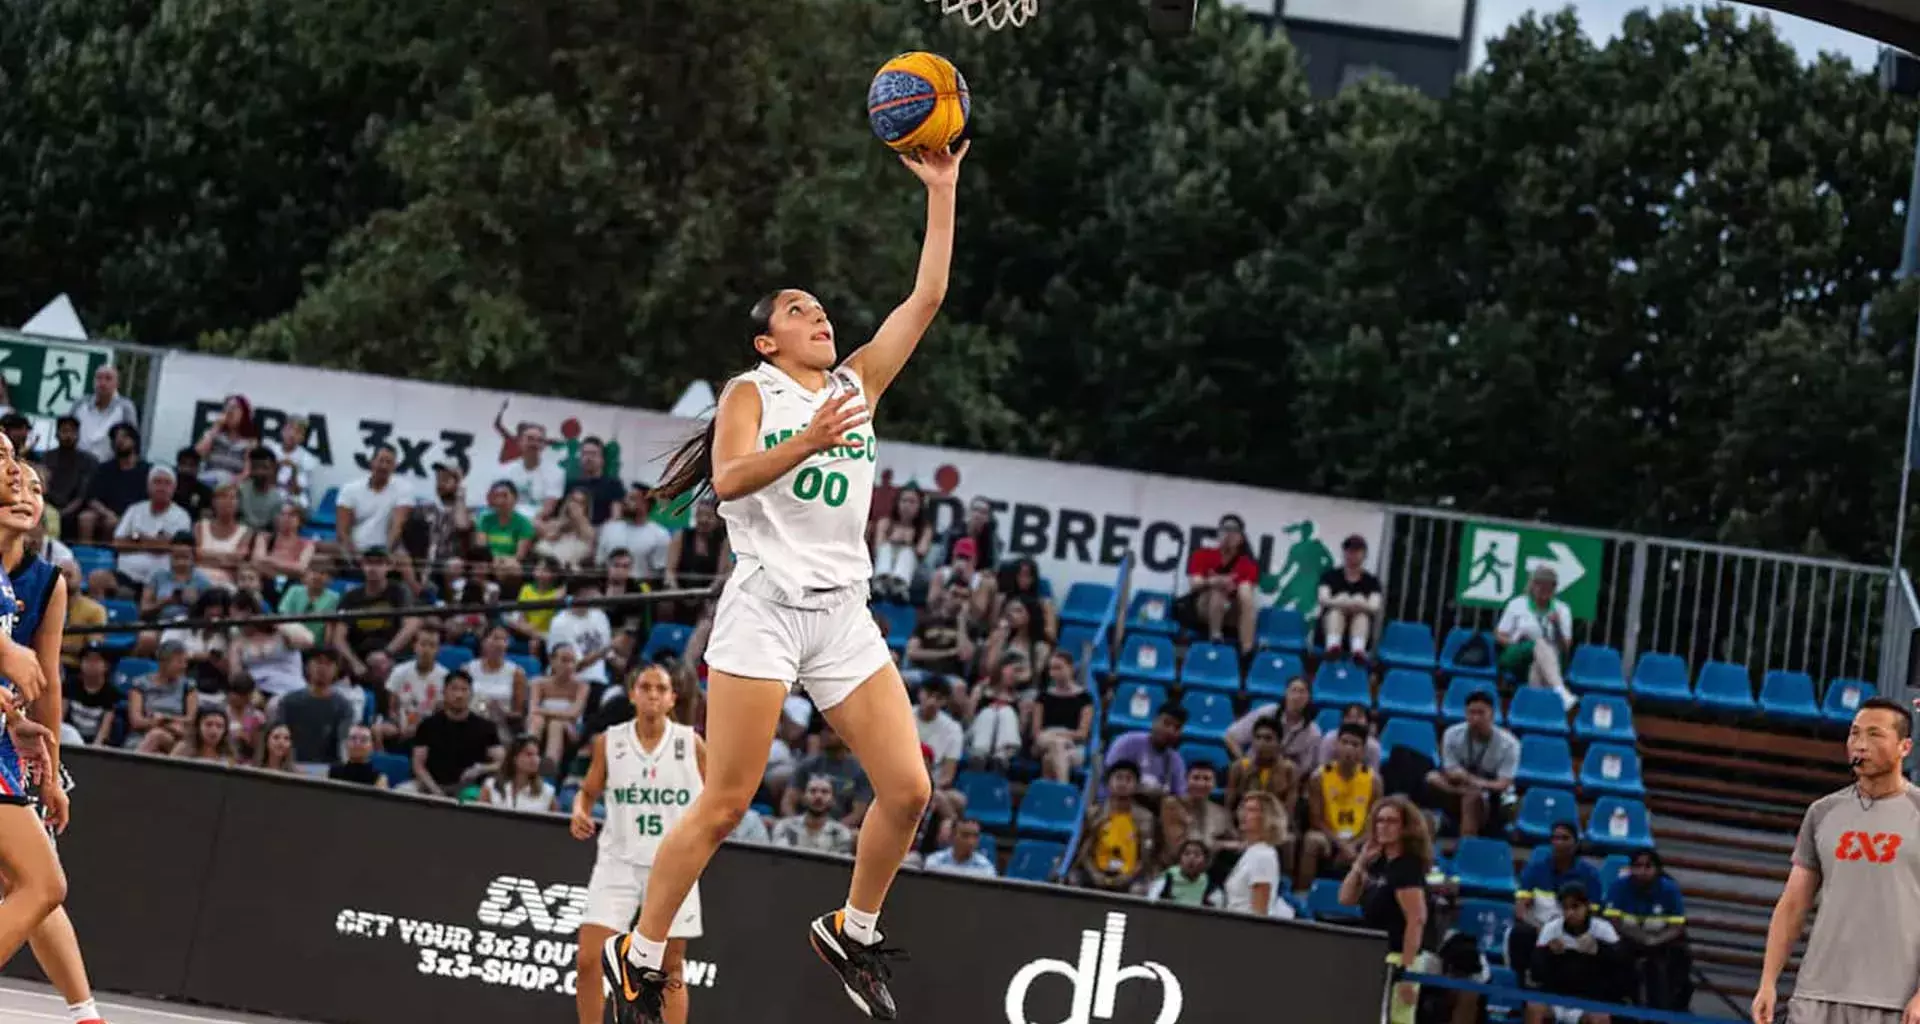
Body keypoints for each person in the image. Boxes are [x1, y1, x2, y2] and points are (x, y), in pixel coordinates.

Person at [601, 140, 967, 1024]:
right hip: (763, 613)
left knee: (912, 790)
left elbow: (926, 298)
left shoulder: (856, 382)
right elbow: (726, 480)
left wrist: (944, 190)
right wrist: (806, 441)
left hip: (841, 614)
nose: (821, 316)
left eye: (822, 308)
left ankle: (851, 927)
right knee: (726, 801)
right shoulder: (750, 391)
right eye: (801, 311)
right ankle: (639, 952)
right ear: (770, 339)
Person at [0, 459, 105, 1024]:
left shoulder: (42, 580)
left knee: (38, 880)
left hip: (5, 736)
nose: (22, 486)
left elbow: (47, 682)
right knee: (39, 881)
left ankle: (85, 1011)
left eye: (36, 487)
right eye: (11, 472)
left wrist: (45, 763)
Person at [1754, 697, 1920, 1024]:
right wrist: (1768, 982)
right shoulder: (1822, 812)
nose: (1860, 744)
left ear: (1904, 747)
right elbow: (1792, 905)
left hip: (1894, 1000)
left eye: (1874, 735)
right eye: (1854, 734)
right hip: (1815, 995)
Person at [572, 666, 705, 1024]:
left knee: (669, 967)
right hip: (618, 862)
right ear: (632, 695)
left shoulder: (690, 743)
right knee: (588, 960)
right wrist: (580, 810)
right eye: (644, 687)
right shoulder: (610, 741)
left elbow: (718, 800)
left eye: (660, 688)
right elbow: (588, 790)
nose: (652, 694)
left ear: (672, 698)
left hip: (673, 865)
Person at [1339, 795, 1433, 1024]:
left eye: (1391, 821)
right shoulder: (1378, 864)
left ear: (1405, 828)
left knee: (1397, 1020)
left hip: (1400, 957)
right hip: (1375, 953)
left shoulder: (1407, 867)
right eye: (1380, 821)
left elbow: (1417, 919)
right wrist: (1360, 862)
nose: (1383, 826)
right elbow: (1345, 898)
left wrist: (1408, 974)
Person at [1527, 881, 1627, 1024]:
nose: (1570, 913)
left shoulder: (1603, 929)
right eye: (1565, 908)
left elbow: (1622, 965)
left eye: (1575, 907)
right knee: (1533, 1008)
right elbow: (1535, 972)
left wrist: (1599, 949)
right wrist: (1547, 952)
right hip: (1556, 997)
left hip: (1590, 1000)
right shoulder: (1551, 929)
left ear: (1587, 906)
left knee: (1600, 1018)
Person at [1604, 849, 1691, 1011]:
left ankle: (1672, 1005)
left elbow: (1678, 927)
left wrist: (1655, 941)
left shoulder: (1670, 889)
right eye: (1637, 866)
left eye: (1648, 866)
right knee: (1612, 952)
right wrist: (1642, 938)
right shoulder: (1619, 886)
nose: (1642, 871)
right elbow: (1613, 921)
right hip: (1628, 940)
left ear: (1657, 869)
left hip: (1661, 942)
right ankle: (1620, 1001)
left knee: (1681, 955)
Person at [1426, 690, 1520, 838]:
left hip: (1493, 796)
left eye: (1481, 713)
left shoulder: (1509, 743)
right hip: (1458, 788)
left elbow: (1503, 784)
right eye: (1471, 713)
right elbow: (1451, 772)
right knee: (1432, 778)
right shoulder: (1452, 733)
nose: (1475, 718)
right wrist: (1467, 785)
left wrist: (1474, 781)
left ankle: (1466, 845)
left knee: (1472, 799)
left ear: (1492, 714)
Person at [1300, 722, 1381, 889]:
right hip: (1329, 838)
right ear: (1336, 745)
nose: (1349, 749)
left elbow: (1373, 822)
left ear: (1363, 750)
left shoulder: (1374, 781)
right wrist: (1341, 844)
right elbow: (1316, 820)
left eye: (1355, 744)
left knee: (1379, 846)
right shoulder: (1319, 776)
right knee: (1311, 840)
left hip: (1359, 839)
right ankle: (1303, 893)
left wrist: (1355, 844)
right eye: (1344, 742)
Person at [1222, 791, 1290, 918]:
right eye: (1243, 809)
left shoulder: (1263, 855)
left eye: (1251, 810)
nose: (1243, 814)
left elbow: (1260, 913)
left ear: (1267, 817)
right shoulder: (1252, 852)